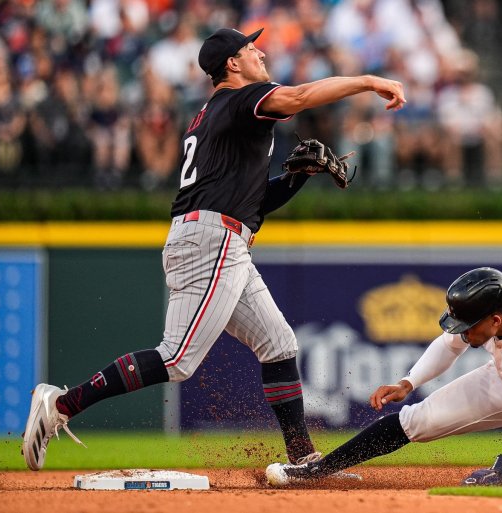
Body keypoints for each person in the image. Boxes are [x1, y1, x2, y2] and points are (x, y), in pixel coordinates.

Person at [22, 27, 406, 471]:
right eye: (250, 48)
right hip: (212, 240)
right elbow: (300, 96)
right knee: (177, 358)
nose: (260, 53)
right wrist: (369, 81)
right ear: (232, 64)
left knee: (279, 344)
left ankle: (303, 460)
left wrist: (296, 177)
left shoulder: (216, 114)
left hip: (219, 235)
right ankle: (61, 405)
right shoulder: (242, 99)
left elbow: (252, 203)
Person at [266, 267, 502, 486]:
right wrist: (408, 382)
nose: (462, 333)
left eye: (468, 327)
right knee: (417, 420)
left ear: (495, 321)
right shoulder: (498, 303)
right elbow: (448, 345)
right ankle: (317, 470)